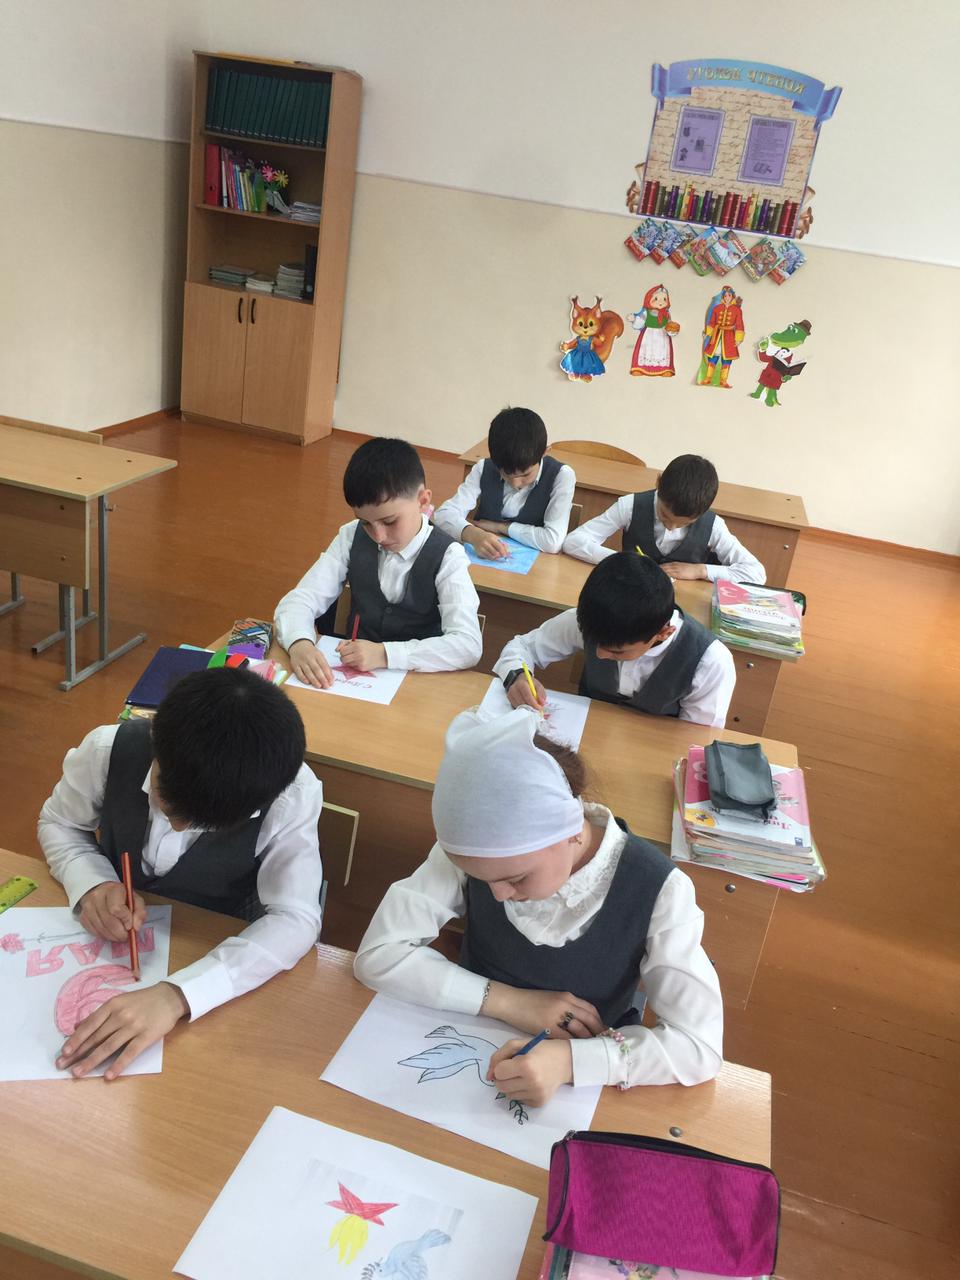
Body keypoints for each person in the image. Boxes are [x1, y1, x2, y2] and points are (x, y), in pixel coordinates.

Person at [354, 707, 722, 1106]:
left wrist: (569, 1061)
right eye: (483, 880)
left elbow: (699, 1047)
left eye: (516, 879)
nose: (497, 895)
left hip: (579, 1086)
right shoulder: (481, 852)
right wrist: (507, 1001)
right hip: (470, 1038)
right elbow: (378, 955)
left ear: (569, 830)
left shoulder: (659, 890)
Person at [37, 667, 324, 1079]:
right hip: (125, 931)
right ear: (156, 740)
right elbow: (60, 823)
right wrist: (92, 881)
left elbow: (295, 918)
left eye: (202, 824)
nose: (176, 827)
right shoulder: (107, 749)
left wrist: (178, 995)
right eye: (166, 804)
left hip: (218, 944)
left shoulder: (292, 795)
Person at [275, 437, 482, 687]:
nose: (378, 536)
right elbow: (300, 600)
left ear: (422, 501)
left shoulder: (448, 556)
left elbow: (468, 645)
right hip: (354, 682)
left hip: (419, 683)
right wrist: (299, 643)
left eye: (390, 521)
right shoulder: (351, 536)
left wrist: (385, 654)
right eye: (365, 522)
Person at [494, 553, 735, 727]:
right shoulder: (592, 620)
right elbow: (523, 646)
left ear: (663, 633)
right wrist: (516, 676)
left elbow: (695, 740)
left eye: (617, 652)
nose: (599, 655)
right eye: (594, 642)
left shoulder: (709, 661)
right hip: (584, 734)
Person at [563, 453, 765, 584]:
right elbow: (574, 541)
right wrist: (625, 562)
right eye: (665, 516)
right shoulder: (631, 506)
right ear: (658, 483)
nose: (671, 528)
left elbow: (756, 573)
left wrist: (700, 571)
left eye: (684, 524)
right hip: (630, 595)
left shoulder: (713, 526)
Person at [433, 407, 575, 558]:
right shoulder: (484, 468)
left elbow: (553, 541)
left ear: (544, 453)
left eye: (525, 474)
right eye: (506, 474)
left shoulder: (561, 475)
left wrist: (501, 527)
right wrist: (473, 534)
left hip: (536, 565)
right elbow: (442, 515)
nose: (515, 483)